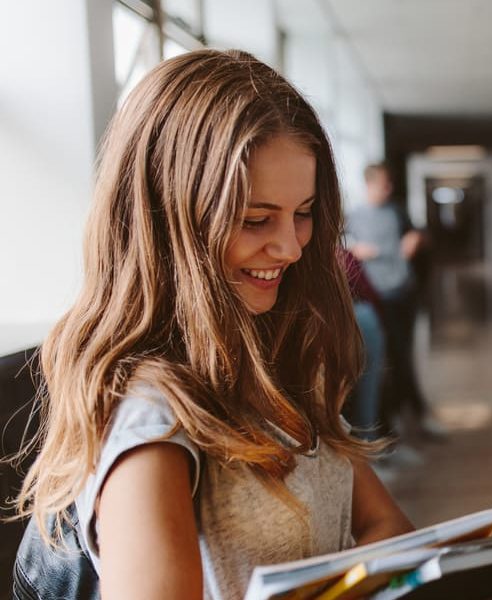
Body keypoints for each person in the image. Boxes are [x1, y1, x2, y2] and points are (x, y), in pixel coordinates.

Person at [12, 49, 418, 599]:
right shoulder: (150, 423)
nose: (290, 247)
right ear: (168, 219)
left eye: (303, 213)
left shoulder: (279, 357)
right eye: (255, 219)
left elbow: (384, 526)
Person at [345, 163, 439, 442]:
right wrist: (354, 249)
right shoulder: (352, 217)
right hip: (375, 297)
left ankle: (409, 419)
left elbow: (418, 235)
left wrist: (416, 239)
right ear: (368, 185)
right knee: (387, 362)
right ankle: (397, 422)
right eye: (383, 185)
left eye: (389, 185)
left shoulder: (397, 212)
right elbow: (339, 246)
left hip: (401, 291)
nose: (388, 190)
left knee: (402, 357)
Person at [338, 246, 387, 440]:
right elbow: (369, 291)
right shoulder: (342, 255)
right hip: (359, 318)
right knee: (366, 399)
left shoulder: (340, 254)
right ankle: (370, 451)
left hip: (348, 320)